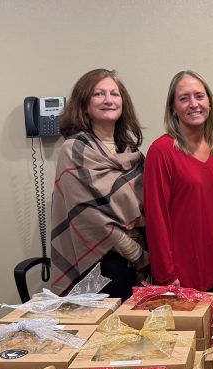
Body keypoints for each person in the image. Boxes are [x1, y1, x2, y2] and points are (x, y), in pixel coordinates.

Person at [51, 69, 147, 300]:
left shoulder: (132, 153)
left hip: (137, 262)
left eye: (114, 94)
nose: (108, 100)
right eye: (99, 94)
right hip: (100, 261)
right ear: (84, 104)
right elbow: (88, 216)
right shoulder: (74, 150)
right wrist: (136, 254)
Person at [144, 70, 213, 294]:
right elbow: (156, 218)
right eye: (184, 98)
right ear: (173, 108)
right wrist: (166, 276)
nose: (194, 104)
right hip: (182, 276)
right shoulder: (161, 151)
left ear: (209, 102)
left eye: (199, 96)